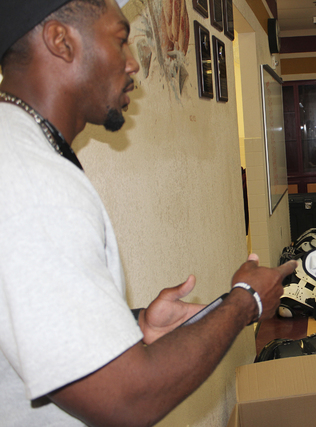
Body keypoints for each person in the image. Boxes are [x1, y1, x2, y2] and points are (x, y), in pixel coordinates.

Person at [0, 1, 297, 425]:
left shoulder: (23, 152)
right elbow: (124, 400)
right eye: (121, 40)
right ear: (61, 41)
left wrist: (134, 325)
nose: (134, 63)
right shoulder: (28, 176)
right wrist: (245, 301)